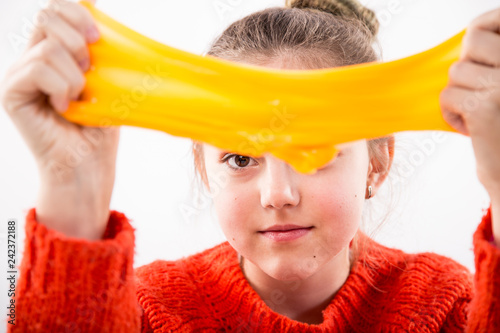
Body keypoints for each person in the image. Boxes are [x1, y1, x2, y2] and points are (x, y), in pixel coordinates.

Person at [1, 0, 499, 331]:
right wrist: (73, 195)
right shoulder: (142, 311)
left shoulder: (447, 304)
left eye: (316, 150)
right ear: (204, 171)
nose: (276, 193)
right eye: (239, 158)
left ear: (377, 164)